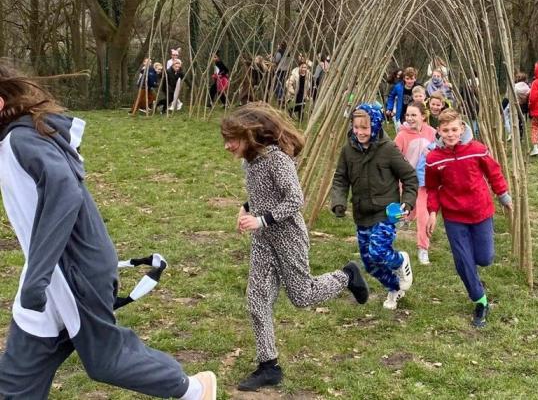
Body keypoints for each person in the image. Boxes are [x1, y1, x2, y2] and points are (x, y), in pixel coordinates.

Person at [0, 64, 217, 399]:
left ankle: (195, 390)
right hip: (49, 283)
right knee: (15, 385)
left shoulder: (21, 140)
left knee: (105, 360)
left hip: (74, 278)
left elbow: (65, 192)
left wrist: (37, 278)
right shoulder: (17, 136)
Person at [221, 103, 368, 391]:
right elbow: (260, 193)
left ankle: (347, 276)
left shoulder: (278, 161)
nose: (227, 146)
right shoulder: (249, 162)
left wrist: (261, 219)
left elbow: (295, 200)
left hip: (288, 236)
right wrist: (245, 208)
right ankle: (269, 366)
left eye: (232, 139)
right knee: (256, 300)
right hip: (263, 241)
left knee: (301, 296)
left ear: (251, 135)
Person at [424, 108, 512, 328]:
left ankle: (474, 274)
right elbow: (432, 188)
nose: (451, 134)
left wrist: (503, 195)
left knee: (485, 258)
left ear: (462, 128)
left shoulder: (477, 150)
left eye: (454, 129)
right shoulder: (433, 159)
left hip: (480, 211)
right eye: (446, 130)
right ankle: (480, 300)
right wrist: (433, 212)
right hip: (454, 216)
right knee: (463, 261)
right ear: (439, 131)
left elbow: (494, 173)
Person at [330, 103, 417, 310]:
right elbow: (341, 179)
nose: (359, 132)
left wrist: (407, 202)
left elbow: (410, 177)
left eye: (365, 128)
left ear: (376, 126)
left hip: (386, 212)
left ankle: (400, 260)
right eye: (356, 127)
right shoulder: (348, 150)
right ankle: (395, 288)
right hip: (362, 213)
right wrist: (338, 201)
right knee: (369, 263)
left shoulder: (388, 149)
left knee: (378, 252)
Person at [393, 102, 437, 265]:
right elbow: (394, 157)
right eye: (407, 115)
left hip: (425, 182)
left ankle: (423, 248)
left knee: (424, 214)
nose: (410, 118)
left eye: (414, 115)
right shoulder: (402, 136)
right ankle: (404, 219)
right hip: (407, 182)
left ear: (423, 116)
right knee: (407, 210)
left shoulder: (432, 133)